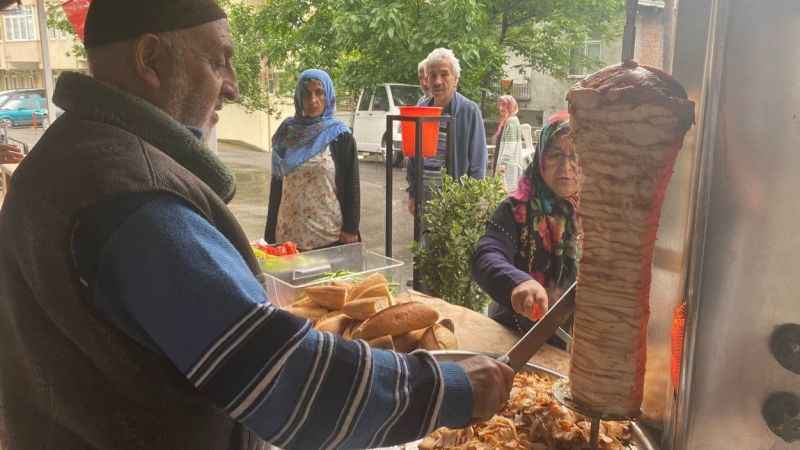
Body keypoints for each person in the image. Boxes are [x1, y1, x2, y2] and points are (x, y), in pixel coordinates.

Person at [0, 1, 514, 450]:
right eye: (218, 60)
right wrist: (448, 388)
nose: (233, 86)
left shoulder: (69, 153)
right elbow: (283, 376)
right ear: (150, 59)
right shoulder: (131, 197)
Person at [471, 113, 582, 334]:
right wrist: (518, 283)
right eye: (555, 155)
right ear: (540, 157)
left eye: (576, 156)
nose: (566, 166)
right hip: (516, 334)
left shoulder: (599, 212)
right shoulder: (516, 209)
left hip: (577, 340)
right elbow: (486, 254)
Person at [264, 69, 360, 251]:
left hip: (327, 235)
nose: (313, 100)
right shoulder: (286, 133)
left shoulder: (340, 136)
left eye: (319, 92)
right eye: (306, 94)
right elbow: (277, 187)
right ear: (298, 98)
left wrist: (351, 229)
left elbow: (351, 186)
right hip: (287, 236)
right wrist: (269, 235)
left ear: (328, 96)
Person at [406, 48, 487, 215]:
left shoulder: (469, 111)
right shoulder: (421, 109)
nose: (437, 81)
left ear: (456, 79)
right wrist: (413, 193)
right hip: (425, 199)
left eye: (444, 74)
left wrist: (472, 202)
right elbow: (413, 157)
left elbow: (478, 162)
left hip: (456, 201)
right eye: (432, 75)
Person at [492, 95, 523, 191]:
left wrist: (502, 164)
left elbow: (510, 146)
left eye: (504, 105)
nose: (501, 108)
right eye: (500, 105)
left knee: (505, 192)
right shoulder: (508, 120)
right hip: (506, 165)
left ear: (511, 106)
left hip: (507, 167)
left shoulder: (512, 122)